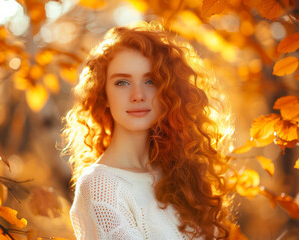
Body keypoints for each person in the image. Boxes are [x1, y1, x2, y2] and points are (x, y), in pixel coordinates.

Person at [62, 21, 233, 240]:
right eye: (122, 83)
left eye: (150, 81)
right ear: (103, 95)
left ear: (168, 92)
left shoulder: (179, 177)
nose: (138, 95)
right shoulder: (101, 185)